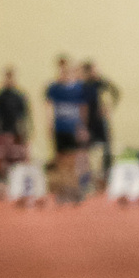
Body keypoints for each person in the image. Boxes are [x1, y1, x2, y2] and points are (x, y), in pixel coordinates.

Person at [44, 56, 91, 202]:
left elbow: (83, 108)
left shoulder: (79, 89)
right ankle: (63, 190)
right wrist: (49, 124)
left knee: (72, 161)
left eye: (68, 71)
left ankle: (74, 190)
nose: (64, 74)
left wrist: (83, 127)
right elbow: (49, 106)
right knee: (61, 161)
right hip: (60, 129)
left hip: (73, 128)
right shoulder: (54, 88)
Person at [80, 58, 119, 178]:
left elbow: (116, 92)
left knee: (106, 148)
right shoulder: (82, 86)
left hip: (99, 120)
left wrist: (109, 106)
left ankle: (107, 174)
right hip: (87, 122)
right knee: (85, 150)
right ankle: (87, 175)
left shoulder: (100, 83)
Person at [0, 69, 30, 174]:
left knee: (17, 158)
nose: (9, 80)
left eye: (11, 77)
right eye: (7, 77)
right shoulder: (0, 97)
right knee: (4, 160)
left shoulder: (19, 96)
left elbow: (24, 117)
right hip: (3, 132)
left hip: (16, 133)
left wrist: (25, 135)